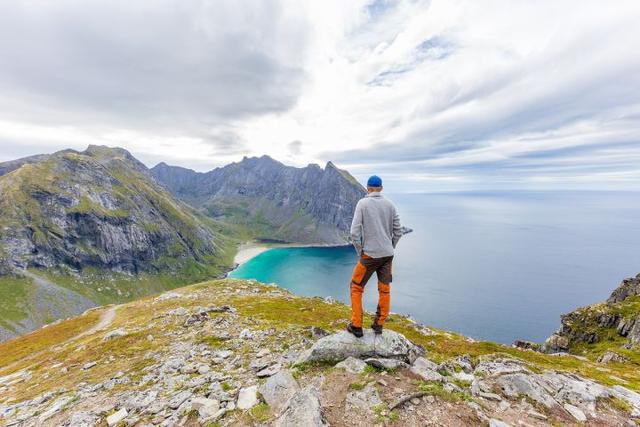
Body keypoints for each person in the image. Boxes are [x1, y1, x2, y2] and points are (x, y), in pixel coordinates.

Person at [347, 175, 403, 337]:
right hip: (387, 255)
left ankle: (357, 325)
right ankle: (378, 325)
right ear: (381, 189)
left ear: (368, 188)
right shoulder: (390, 205)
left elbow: (354, 232)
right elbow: (398, 231)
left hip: (370, 255)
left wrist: (360, 252)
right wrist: (389, 247)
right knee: (384, 290)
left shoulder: (363, 204)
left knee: (356, 286)